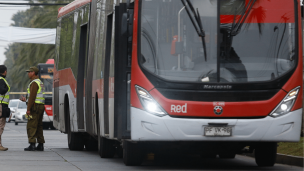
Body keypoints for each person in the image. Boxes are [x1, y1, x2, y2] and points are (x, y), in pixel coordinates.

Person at [20, 66, 45, 151]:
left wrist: (28, 109)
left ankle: (32, 144)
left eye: (29, 72)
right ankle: (40, 145)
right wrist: (25, 99)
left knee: (31, 125)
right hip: (40, 106)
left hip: (35, 106)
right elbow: (34, 96)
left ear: (33, 73)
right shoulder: (39, 82)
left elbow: (33, 97)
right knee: (39, 125)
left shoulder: (34, 83)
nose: (28, 74)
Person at [0, 65, 9, 151]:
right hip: (1, 105)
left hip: (2, 104)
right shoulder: (2, 80)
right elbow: (2, 91)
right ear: (5, 71)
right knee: (1, 125)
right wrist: (7, 88)